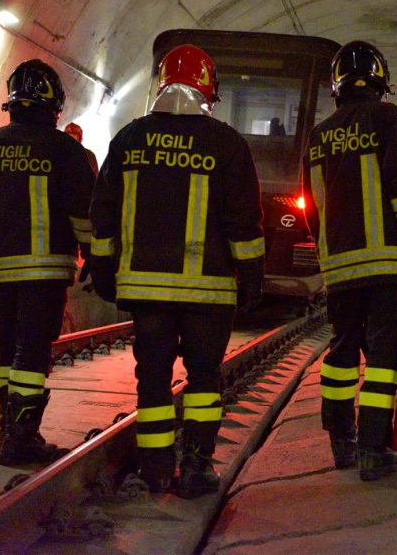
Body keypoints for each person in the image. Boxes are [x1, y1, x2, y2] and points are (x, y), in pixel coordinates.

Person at [88, 44, 264, 498]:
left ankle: (156, 470)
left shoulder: (129, 139)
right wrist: (251, 277)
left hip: (147, 293)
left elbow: (103, 213)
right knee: (205, 378)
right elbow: (243, 223)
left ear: (161, 83)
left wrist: (103, 268)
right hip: (209, 294)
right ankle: (198, 466)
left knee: (152, 380)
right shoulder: (228, 144)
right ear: (210, 88)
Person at [302, 40, 397, 481]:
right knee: (381, 356)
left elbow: (312, 209)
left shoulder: (318, 138)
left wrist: (329, 252)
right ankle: (373, 451)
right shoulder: (392, 121)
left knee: (341, 349)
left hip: (340, 268)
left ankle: (341, 442)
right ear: (381, 82)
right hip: (387, 266)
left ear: (336, 87)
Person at [0, 59, 95, 466]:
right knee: (32, 354)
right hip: (46, 271)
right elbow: (83, 211)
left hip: (2, 275)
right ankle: (22, 440)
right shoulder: (66, 150)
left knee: (7, 350)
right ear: (54, 106)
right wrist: (94, 254)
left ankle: (7, 431)